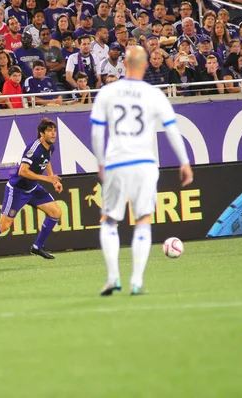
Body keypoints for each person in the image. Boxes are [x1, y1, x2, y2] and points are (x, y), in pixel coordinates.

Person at [89, 46, 193, 296]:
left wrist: (101, 162)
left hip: (116, 162)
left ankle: (113, 277)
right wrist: (184, 161)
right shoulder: (154, 94)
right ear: (146, 65)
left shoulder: (108, 91)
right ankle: (136, 281)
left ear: (124, 63)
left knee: (109, 219)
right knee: (143, 219)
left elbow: (96, 131)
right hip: (145, 163)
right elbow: (171, 129)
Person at [0, 118, 64, 270]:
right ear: (41, 134)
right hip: (17, 190)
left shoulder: (50, 147)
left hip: (33, 188)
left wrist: (53, 180)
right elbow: (22, 171)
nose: (53, 133)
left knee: (56, 212)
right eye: (50, 131)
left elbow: (47, 161)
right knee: (4, 226)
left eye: (54, 130)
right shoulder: (33, 149)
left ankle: (37, 246)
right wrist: (47, 178)